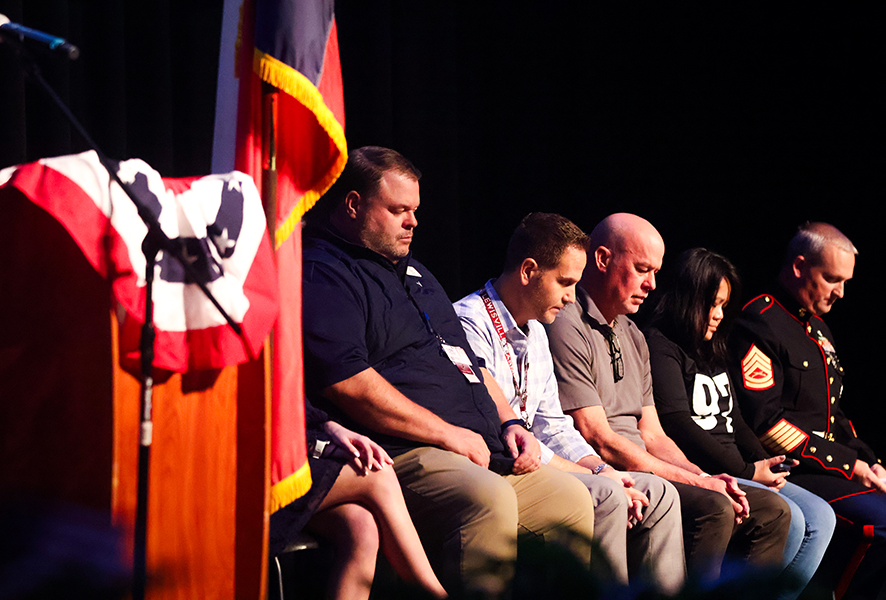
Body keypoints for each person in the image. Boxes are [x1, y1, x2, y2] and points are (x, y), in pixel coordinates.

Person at [301, 147, 595, 596]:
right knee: (486, 497)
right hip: (402, 451)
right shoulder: (325, 270)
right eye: (398, 210)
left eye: (415, 210)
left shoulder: (417, 272)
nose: (412, 222)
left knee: (569, 499)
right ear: (353, 204)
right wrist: (446, 433)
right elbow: (347, 382)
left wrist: (510, 421)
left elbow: (471, 364)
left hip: (478, 447)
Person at [545, 212, 791, 584]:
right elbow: (598, 437)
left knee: (772, 510)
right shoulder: (567, 322)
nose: (651, 284)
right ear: (602, 259)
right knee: (713, 507)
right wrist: (697, 483)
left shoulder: (632, 333)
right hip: (605, 467)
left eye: (656, 272)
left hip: (645, 463)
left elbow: (655, 434)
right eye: (643, 269)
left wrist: (703, 475)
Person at [453, 212, 686, 594]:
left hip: (535, 462)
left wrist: (597, 466)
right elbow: (503, 436)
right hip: (499, 465)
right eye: (565, 282)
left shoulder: (535, 332)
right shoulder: (470, 322)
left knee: (650, 491)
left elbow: (554, 426)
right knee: (608, 494)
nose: (571, 296)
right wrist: (598, 475)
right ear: (529, 270)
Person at [644, 247, 836, 600]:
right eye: (711, 304)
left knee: (822, 517)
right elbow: (676, 422)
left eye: (723, 306)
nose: (718, 315)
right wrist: (747, 470)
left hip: (743, 467)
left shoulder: (713, 348)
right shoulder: (661, 345)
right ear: (688, 297)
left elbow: (736, 419)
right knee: (789, 519)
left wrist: (765, 462)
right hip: (708, 469)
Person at [729, 222, 886, 598]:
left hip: (830, 467)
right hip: (793, 469)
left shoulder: (819, 329)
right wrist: (852, 466)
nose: (841, 293)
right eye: (832, 278)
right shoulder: (760, 321)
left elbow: (834, 414)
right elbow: (767, 425)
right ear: (799, 266)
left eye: (845, 281)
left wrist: (871, 461)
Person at [270, 401, 447, 600]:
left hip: (292, 452)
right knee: (377, 473)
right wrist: (317, 444)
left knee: (361, 525)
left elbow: (291, 399)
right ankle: (433, 594)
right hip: (246, 476)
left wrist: (330, 427)